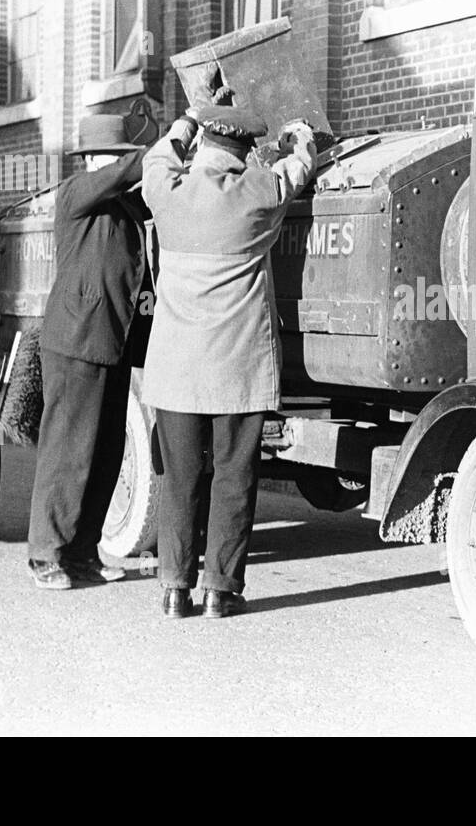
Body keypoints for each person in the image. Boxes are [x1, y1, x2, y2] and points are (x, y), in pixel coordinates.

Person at [141, 103, 317, 619]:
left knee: (179, 478)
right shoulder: (256, 192)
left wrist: (184, 124)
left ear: (202, 145)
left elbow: (158, 158)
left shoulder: (166, 192)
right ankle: (220, 588)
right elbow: (298, 169)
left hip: (176, 371)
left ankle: (174, 587)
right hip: (237, 369)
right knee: (234, 476)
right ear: (245, 150)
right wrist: (300, 136)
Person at [27, 111, 157, 589]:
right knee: (67, 451)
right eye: (114, 160)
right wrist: (172, 141)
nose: (118, 168)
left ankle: (81, 553)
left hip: (113, 342)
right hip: (78, 341)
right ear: (97, 161)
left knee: (104, 453)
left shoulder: (123, 205)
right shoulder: (77, 191)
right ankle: (46, 555)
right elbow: (125, 174)